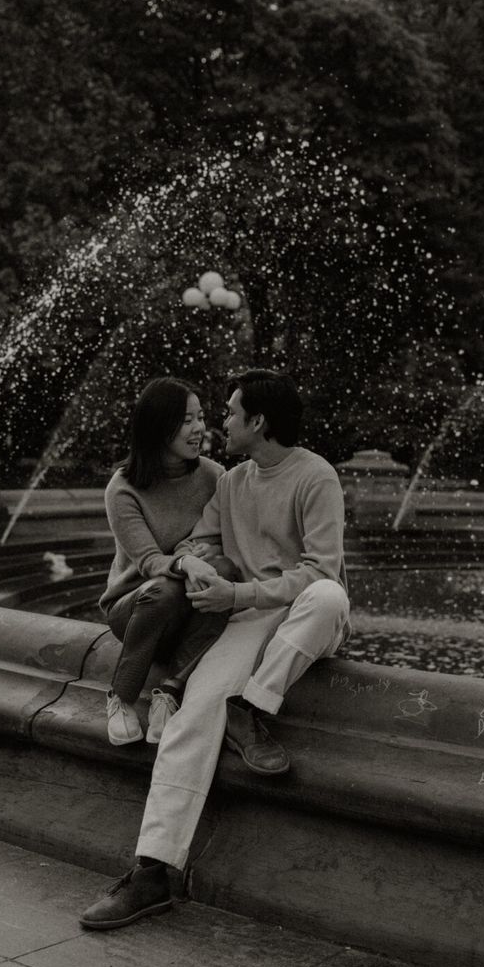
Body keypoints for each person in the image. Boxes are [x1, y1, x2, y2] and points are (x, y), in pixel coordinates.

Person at [81, 369, 351, 929]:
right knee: (188, 720)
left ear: (258, 422)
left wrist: (238, 590)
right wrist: (194, 563)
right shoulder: (231, 483)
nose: (218, 424)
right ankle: (151, 871)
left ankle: (251, 708)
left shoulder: (317, 476)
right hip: (250, 615)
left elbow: (321, 571)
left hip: (306, 617)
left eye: (228, 413)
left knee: (327, 595)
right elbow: (197, 540)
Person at [99, 376, 235, 747]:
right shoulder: (123, 487)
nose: (200, 429)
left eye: (201, 418)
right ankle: (121, 698)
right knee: (165, 589)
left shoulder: (213, 475)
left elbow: (225, 539)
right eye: (187, 420)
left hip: (191, 608)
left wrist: (206, 556)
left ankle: (169, 694)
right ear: (159, 426)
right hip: (135, 606)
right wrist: (188, 561)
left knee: (223, 573)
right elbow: (148, 561)